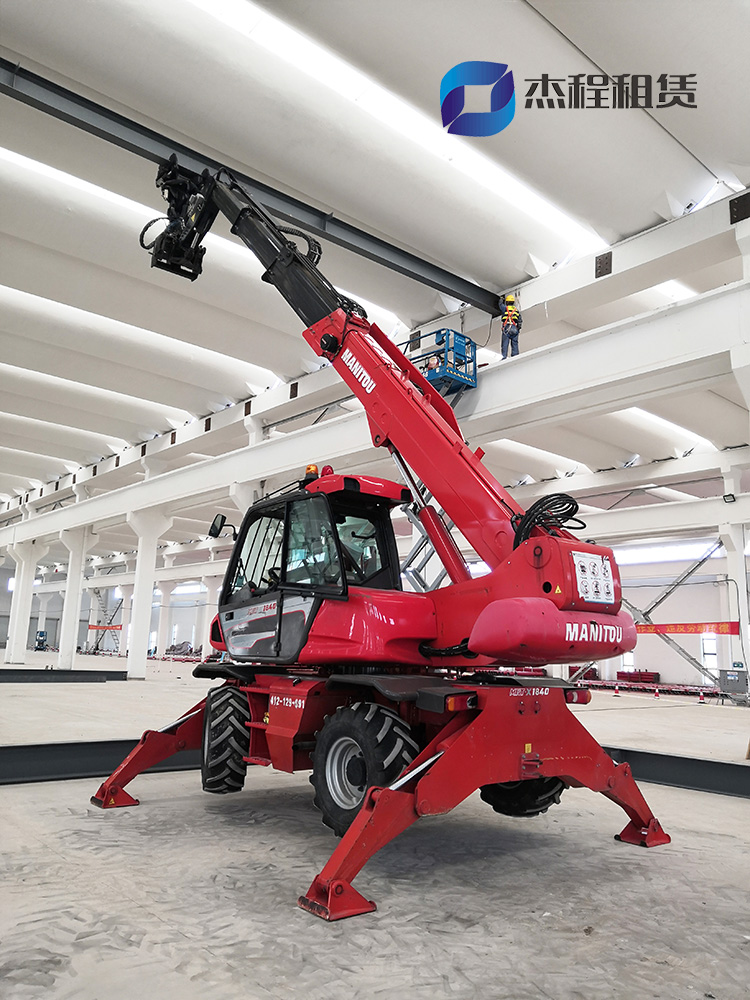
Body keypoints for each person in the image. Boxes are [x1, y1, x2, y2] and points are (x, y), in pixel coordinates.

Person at [499, 293, 522, 359]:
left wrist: (501, 299)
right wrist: (518, 329)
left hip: (507, 327)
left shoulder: (505, 308)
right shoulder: (516, 310)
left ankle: (504, 357)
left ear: (507, 302)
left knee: (505, 343)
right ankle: (515, 356)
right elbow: (520, 321)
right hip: (514, 328)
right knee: (515, 343)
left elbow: (500, 305)